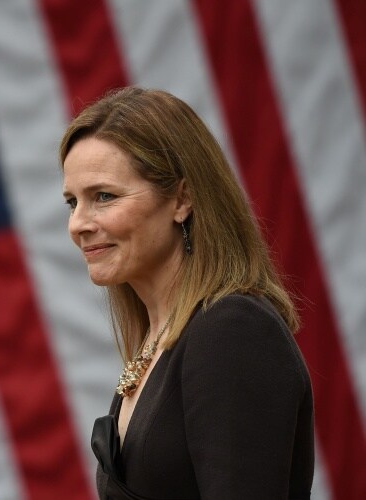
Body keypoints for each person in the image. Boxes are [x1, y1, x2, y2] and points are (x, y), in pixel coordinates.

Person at [60, 87, 314, 499]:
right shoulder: (160, 340)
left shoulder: (232, 331)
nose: (78, 224)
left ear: (182, 198)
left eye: (103, 197)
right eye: (73, 202)